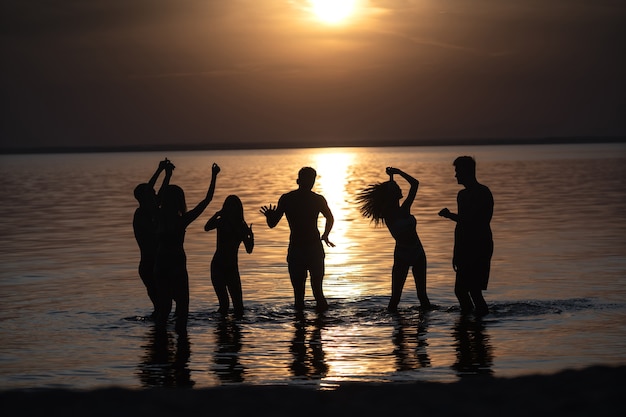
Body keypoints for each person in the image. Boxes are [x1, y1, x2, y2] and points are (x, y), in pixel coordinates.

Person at [154, 163, 221, 333]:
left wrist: (167, 174)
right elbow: (206, 201)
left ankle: (160, 342)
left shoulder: (159, 217)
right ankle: (181, 346)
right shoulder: (181, 220)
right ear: (180, 201)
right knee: (182, 308)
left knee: (164, 308)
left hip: (162, 263)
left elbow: (157, 198)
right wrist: (214, 176)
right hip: (175, 264)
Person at [357, 167, 432, 312]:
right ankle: (395, 328)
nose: (400, 189)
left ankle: (423, 331)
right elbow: (404, 188)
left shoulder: (405, 208)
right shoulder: (388, 215)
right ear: (392, 195)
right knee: (395, 298)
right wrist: (394, 178)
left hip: (418, 253)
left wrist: (397, 173)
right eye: (397, 188)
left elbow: (415, 184)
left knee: (422, 296)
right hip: (401, 255)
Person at [260, 167, 334, 312]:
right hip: (310, 249)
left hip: (300, 249)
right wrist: (325, 234)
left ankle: (301, 328)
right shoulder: (316, 199)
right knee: (317, 292)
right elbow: (330, 218)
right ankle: (319, 326)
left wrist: (269, 216)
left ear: (298, 181)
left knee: (299, 297)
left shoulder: (288, 199)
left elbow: (272, 224)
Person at [439, 156, 493, 316]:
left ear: (466, 172)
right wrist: (456, 253)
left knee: (474, 291)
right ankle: (467, 322)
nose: (455, 175)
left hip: (480, 246)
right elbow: (461, 226)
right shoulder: (462, 195)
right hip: (465, 247)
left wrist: (450, 215)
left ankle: (479, 326)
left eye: (458, 172)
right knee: (460, 291)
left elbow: (476, 222)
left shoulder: (482, 192)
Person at [133, 158, 173, 316]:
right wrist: (159, 170)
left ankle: (159, 336)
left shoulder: (153, 212)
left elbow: (159, 194)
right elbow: (149, 192)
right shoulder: (141, 214)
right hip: (149, 266)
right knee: (161, 306)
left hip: (158, 264)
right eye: (152, 195)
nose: (155, 197)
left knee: (164, 306)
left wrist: (167, 175)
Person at [204, 195, 254, 316]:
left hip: (231, 268)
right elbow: (207, 227)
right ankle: (222, 330)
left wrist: (251, 237)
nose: (231, 210)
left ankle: (232, 329)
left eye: (234, 207)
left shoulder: (241, 226)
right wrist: (217, 214)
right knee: (224, 304)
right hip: (218, 266)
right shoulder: (222, 222)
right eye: (229, 207)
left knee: (238, 306)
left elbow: (249, 249)